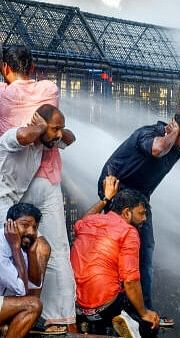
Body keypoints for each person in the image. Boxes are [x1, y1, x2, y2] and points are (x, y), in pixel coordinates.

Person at [1, 45, 77, 333]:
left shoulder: (2, 95)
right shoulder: (49, 90)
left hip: (18, 191)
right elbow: (57, 134)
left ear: (5, 69)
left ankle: (19, 311)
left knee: (15, 248)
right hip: (45, 181)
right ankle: (61, 318)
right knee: (53, 248)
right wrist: (46, 128)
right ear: (32, 68)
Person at [97, 112, 180, 323]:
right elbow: (157, 149)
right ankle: (136, 311)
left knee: (144, 251)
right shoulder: (151, 134)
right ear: (174, 130)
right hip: (119, 193)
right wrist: (174, 131)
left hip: (139, 197)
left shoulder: (175, 148)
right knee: (133, 253)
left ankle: (138, 309)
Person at [70, 183, 160, 338]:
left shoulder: (89, 222)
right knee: (150, 324)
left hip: (76, 306)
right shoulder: (128, 232)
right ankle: (130, 323)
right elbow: (130, 281)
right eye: (141, 213)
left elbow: (82, 220)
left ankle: (114, 321)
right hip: (105, 306)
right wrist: (145, 313)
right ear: (126, 213)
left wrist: (105, 199)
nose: (144, 219)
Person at [0, 105, 64, 222]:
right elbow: (23, 136)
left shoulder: (41, 145)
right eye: (55, 129)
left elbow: (70, 139)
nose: (59, 134)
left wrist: (51, 129)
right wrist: (41, 126)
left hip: (12, 205)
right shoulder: (12, 135)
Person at [0, 203, 50, 338]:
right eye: (25, 225)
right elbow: (22, 291)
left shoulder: (22, 248)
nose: (31, 232)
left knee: (31, 307)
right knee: (33, 306)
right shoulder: (3, 245)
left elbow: (33, 288)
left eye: (35, 227)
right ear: (9, 225)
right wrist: (15, 248)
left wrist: (32, 254)